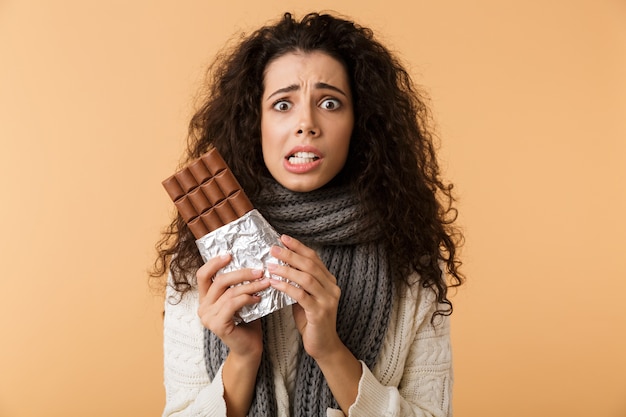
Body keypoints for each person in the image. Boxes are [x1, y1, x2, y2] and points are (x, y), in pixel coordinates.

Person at [152, 11, 464, 417]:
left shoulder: (412, 259)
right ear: (255, 124)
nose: (306, 123)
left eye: (330, 102)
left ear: (361, 123)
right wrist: (243, 358)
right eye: (282, 104)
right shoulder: (201, 262)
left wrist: (331, 350)